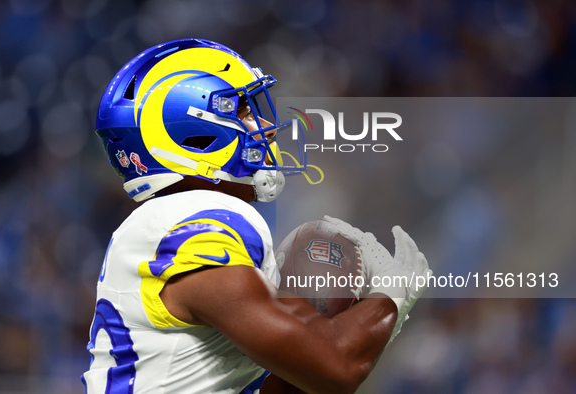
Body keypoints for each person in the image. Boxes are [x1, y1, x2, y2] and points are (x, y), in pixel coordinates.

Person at [81, 38, 431, 394]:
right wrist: (392, 293)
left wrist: (368, 318)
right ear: (194, 134)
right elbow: (335, 366)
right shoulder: (199, 222)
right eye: (243, 111)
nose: (263, 124)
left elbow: (298, 380)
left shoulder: (168, 224)